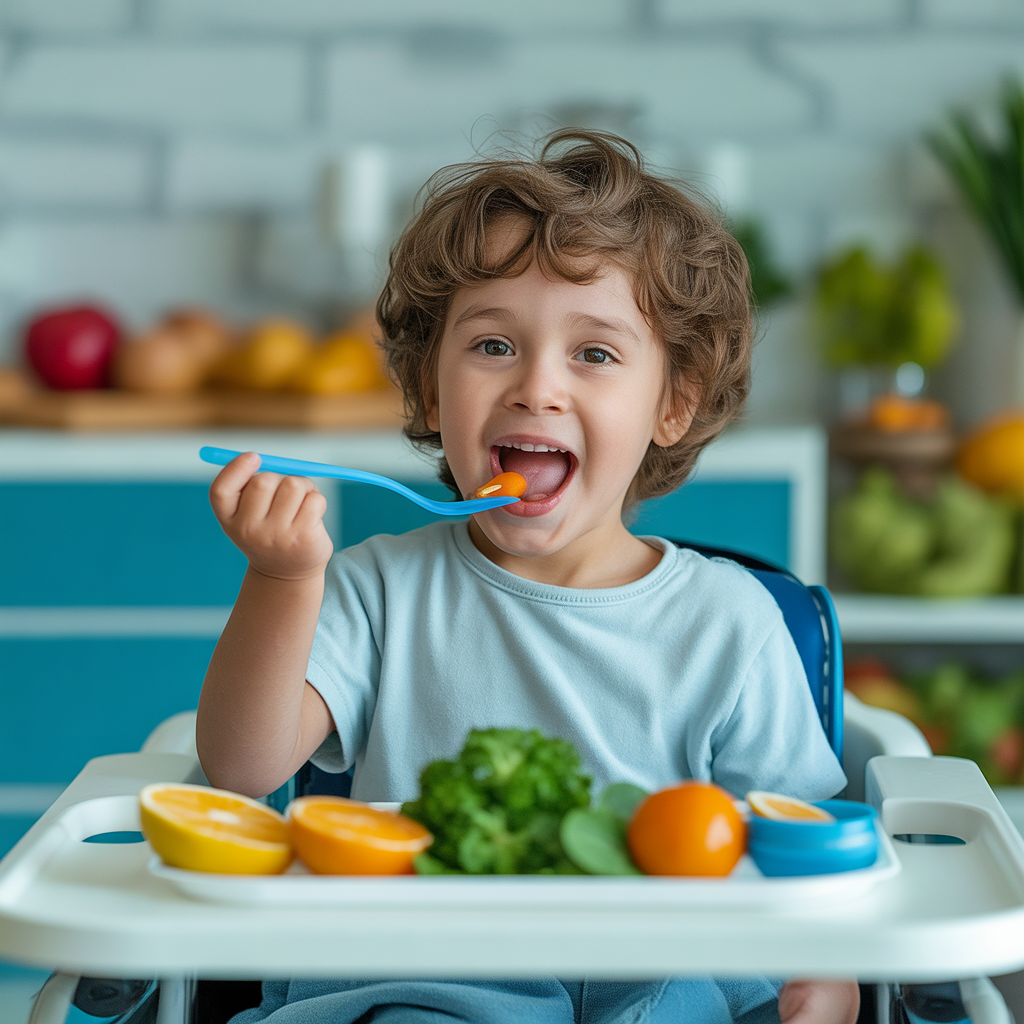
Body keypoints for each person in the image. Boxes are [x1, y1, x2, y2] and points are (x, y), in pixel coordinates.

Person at [197, 129, 859, 1024]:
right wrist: (280, 581)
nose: (536, 388)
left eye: (594, 354)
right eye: (494, 347)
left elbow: (801, 847)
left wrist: (830, 970)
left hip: (663, 982)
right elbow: (241, 766)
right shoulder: (374, 591)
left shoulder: (734, 623)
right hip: (431, 982)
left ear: (674, 404)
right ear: (433, 391)